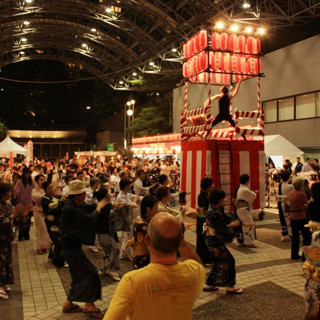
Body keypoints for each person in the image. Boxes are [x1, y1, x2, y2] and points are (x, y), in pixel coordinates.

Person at [104, 211, 205, 320]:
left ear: (147, 240)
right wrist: (181, 242)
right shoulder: (194, 271)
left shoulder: (132, 282)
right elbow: (196, 263)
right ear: (181, 239)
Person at [61, 180, 107, 319]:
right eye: (83, 192)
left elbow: (88, 207)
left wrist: (102, 204)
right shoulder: (71, 208)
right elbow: (89, 219)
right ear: (77, 195)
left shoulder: (74, 204)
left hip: (71, 246)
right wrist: (98, 209)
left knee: (77, 276)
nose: (85, 193)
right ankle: (90, 305)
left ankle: (69, 304)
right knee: (91, 273)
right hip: (70, 247)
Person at [203, 189, 242, 293]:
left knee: (217, 262)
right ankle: (230, 286)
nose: (225, 199)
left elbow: (225, 218)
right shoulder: (213, 212)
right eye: (224, 198)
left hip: (212, 239)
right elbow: (221, 228)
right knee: (229, 260)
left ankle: (209, 284)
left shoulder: (215, 209)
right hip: (214, 240)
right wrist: (232, 225)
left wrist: (232, 220)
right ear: (218, 200)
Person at [125, 195, 159, 269]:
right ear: (148, 209)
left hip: (143, 256)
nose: (157, 211)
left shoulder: (144, 220)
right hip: (142, 258)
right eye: (156, 209)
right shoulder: (142, 225)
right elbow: (152, 241)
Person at [95, 187, 121, 281]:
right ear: (105, 196)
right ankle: (112, 269)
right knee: (114, 250)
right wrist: (116, 209)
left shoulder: (101, 205)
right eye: (108, 193)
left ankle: (104, 268)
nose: (110, 194)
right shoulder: (106, 206)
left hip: (104, 232)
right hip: (104, 232)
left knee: (108, 251)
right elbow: (109, 216)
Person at [0, 183, 18, 300]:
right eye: (9, 192)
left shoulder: (6, 205)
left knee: (7, 260)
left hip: (6, 239)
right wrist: (11, 217)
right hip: (0, 239)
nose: (10, 194)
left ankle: (4, 282)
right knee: (0, 261)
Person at [289, 178, 311, 261]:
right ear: (301, 185)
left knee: (295, 237)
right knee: (306, 237)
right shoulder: (302, 194)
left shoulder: (291, 193)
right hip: (301, 216)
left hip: (292, 216)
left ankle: (294, 254)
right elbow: (306, 204)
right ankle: (305, 255)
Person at [234, 174, 257, 247]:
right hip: (243, 209)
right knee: (250, 224)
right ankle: (249, 242)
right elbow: (253, 196)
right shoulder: (245, 189)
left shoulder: (240, 188)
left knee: (243, 225)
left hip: (240, 209)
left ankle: (242, 241)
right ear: (247, 181)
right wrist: (254, 192)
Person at [14, 167, 35, 241]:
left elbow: (34, 191)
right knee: (21, 220)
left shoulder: (32, 182)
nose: (27, 175)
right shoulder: (19, 182)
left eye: (29, 173)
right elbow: (16, 192)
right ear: (23, 174)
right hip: (21, 204)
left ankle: (27, 235)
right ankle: (20, 235)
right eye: (26, 173)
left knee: (28, 220)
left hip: (29, 204)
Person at [196, 177, 213, 265]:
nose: (213, 186)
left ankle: (203, 258)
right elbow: (204, 209)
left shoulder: (202, 195)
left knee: (202, 240)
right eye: (211, 185)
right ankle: (204, 259)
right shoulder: (205, 196)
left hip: (201, 219)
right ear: (208, 186)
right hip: (204, 220)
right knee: (204, 240)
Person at [32, 174, 50, 254]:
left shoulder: (45, 189)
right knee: (40, 229)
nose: (43, 181)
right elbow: (36, 198)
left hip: (45, 211)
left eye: (44, 179)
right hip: (38, 211)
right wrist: (45, 195)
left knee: (45, 229)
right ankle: (39, 247)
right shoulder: (34, 190)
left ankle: (45, 246)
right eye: (41, 180)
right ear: (37, 181)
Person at [278, 171, 294, 241]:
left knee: (283, 220)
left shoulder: (280, 185)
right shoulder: (290, 186)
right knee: (288, 219)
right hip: (288, 204)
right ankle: (290, 233)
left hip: (281, 203)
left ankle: (284, 234)